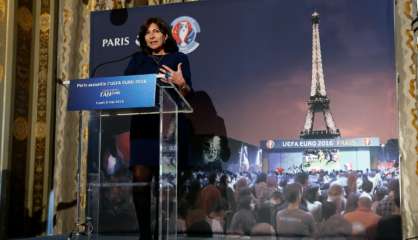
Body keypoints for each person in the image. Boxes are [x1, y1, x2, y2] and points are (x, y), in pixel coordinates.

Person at [124, 17, 192, 240]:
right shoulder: (137, 59)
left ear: (165, 36)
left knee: (165, 189)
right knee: (141, 182)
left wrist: (181, 83)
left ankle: (163, 234)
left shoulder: (178, 58)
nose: (151, 35)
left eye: (156, 31)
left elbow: (186, 94)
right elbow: (126, 89)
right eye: (147, 32)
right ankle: (145, 235)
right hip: (143, 128)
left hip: (169, 129)